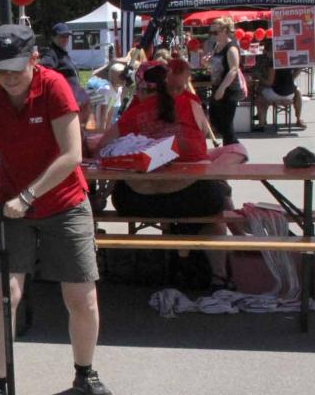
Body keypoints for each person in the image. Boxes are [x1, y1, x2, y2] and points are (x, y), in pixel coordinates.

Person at [0, 24, 112, 395]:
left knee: (81, 297)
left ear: (34, 58)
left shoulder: (55, 86)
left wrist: (29, 196)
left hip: (64, 201)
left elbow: (72, 154)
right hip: (11, 206)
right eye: (0, 69)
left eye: (15, 68)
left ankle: (84, 371)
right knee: (2, 294)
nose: (7, 77)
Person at [96, 60, 231, 290]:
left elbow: (102, 148)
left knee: (189, 204)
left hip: (138, 202)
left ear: (139, 88)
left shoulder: (132, 115)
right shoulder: (191, 103)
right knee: (221, 204)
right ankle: (219, 277)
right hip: (195, 199)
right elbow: (200, 145)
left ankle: (174, 258)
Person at [201, 17, 241, 145]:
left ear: (224, 31)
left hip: (229, 89)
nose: (213, 35)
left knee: (226, 126)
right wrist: (205, 62)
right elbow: (214, 66)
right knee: (215, 121)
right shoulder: (216, 46)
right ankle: (232, 149)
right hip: (216, 86)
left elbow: (234, 69)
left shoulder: (231, 48)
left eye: (215, 32)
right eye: (211, 33)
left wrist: (222, 88)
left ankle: (234, 150)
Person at [254, 53, 306, 130]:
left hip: (276, 93)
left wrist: (259, 78)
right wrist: (290, 79)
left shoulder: (273, 63)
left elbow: (269, 82)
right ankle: (298, 119)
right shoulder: (288, 60)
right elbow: (299, 68)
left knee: (260, 94)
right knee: (298, 91)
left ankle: (261, 123)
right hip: (290, 94)